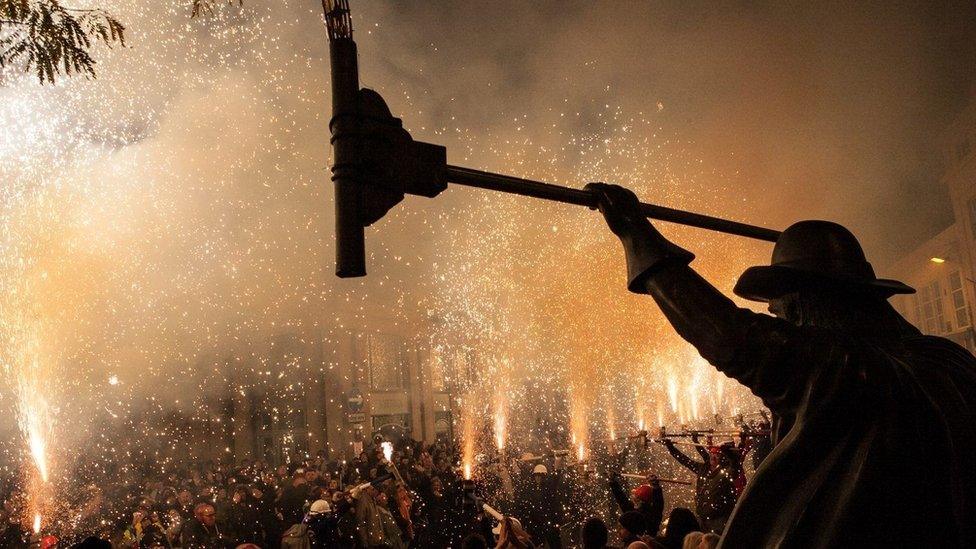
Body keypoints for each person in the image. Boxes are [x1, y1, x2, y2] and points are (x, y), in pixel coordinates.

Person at [587, 182, 976, 546]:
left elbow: (729, 335)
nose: (778, 320)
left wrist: (635, 234)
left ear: (811, 299)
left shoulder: (849, 370)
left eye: (781, 309)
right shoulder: (952, 364)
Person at [659, 440, 736, 534]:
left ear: (723, 457)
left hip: (719, 520)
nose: (714, 457)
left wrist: (729, 453)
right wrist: (671, 447)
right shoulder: (703, 469)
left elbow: (735, 464)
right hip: (702, 518)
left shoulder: (727, 472)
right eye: (712, 454)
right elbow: (684, 460)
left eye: (718, 455)